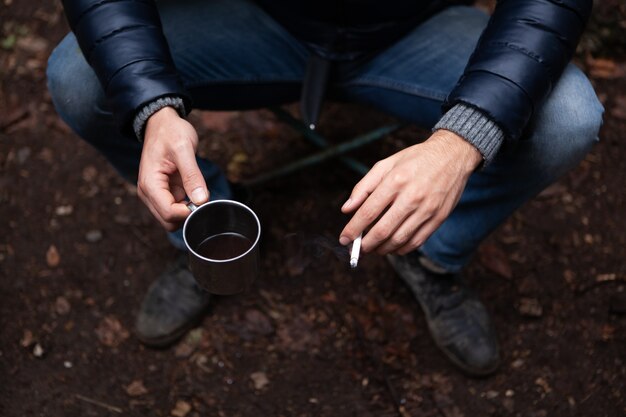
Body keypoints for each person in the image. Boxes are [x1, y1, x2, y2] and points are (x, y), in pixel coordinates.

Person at [47, 0, 602, 376]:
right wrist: (154, 106)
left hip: (414, 31)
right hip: (259, 21)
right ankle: (206, 223)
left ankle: (432, 255)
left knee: (566, 119)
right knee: (78, 76)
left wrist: (464, 136)